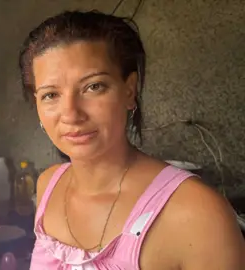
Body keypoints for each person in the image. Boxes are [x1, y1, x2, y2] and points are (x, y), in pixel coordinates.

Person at [18, 10, 245, 270]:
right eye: (50, 95)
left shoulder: (198, 213)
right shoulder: (48, 185)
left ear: (129, 90)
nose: (71, 114)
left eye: (94, 87)